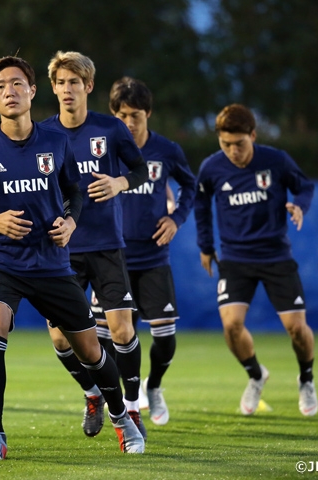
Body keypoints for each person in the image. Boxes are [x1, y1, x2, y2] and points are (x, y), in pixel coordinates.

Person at [0, 55, 145, 459]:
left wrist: (71, 223)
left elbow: (74, 190)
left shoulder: (55, 142)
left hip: (52, 262)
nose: (10, 91)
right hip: (0, 260)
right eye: (1, 86)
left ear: (33, 91)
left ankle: (122, 417)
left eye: (17, 83)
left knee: (91, 350)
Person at [39, 52, 149, 438]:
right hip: (61, 249)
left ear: (88, 86)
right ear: (52, 88)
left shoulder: (112, 130)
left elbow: (138, 170)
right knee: (59, 335)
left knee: (121, 330)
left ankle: (133, 408)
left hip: (105, 245)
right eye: (61, 82)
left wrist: (119, 183)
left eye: (74, 82)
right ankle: (92, 394)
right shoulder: (42, 135)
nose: (67, 89)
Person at [194, 103, 318, 416]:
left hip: (276, 256)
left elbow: (304, 186)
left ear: (253, 135)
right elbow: (201, 206)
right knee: (232, 326)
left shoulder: (275, 160)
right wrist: (206, 246)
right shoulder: (211, 168)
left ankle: (306, 379)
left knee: (297, 329)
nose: (233, 151)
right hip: (235, 259)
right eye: (226, 145)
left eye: (240, 144)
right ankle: (255, 375)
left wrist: (299, 205)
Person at [91, 77, 195, 426]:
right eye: (122, 115)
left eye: (136, 115)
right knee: (106, 337)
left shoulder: (166, 150)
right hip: (110, 257)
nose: (129, 123)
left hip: (152, 258)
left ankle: (155, 387)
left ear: (148, 113)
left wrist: (176, 218)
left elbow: (190, 186)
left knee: (164, 336)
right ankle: (116, 399)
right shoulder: (101, 150)